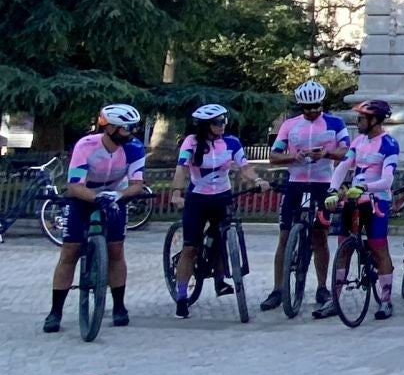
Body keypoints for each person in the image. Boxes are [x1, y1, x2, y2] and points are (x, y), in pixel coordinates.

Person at [44, 104, 146, 333]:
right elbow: (74, 186)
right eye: (126, 128)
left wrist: (118, 196)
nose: (131, 133)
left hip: (115, 196)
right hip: (83, 196)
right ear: (110, 128)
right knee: (69, 252)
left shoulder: (135, 147)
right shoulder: (86, 145)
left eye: (133, 128)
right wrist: (96, 198)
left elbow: (137, 185)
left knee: (116, 250)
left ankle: (119, 306)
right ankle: (55, 311)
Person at [168, 104, 267, 319]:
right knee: (190, 248)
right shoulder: (191, 142)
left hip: (222, 197)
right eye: (217, 122)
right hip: (197, 199)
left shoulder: (231, 142)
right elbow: (181, 169)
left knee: (221, 238)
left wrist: (258, 180)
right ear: (205, 125)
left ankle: (220, 279)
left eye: (224, 121)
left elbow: (245, 167)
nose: (222, 125)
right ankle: (182, 297)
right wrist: (176, 193)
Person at [262, 81, 345, 315]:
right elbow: (274, 156)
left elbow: (347, 151)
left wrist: (327, 153)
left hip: (322, 184)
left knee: (320, 236)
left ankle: (322, 287)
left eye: (316, 107)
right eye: (307, 108)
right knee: (285, 237)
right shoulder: (290, 125)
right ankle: (278, 289)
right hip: (296, 184)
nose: (312, 111)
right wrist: (293, 157)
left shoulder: (335, 123)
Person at [322, 100, 401, 318]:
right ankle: (334, 300)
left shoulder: (389, 144)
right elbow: (343, 167)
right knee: (343, 247)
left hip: (377, 199)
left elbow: (387, 180)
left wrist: (366, 187)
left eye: (361, 119)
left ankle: (386, 301)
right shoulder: (358, 141)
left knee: (378, 247)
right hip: (354, 198)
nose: (357, 122)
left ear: (374, 120)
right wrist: (332, 190)